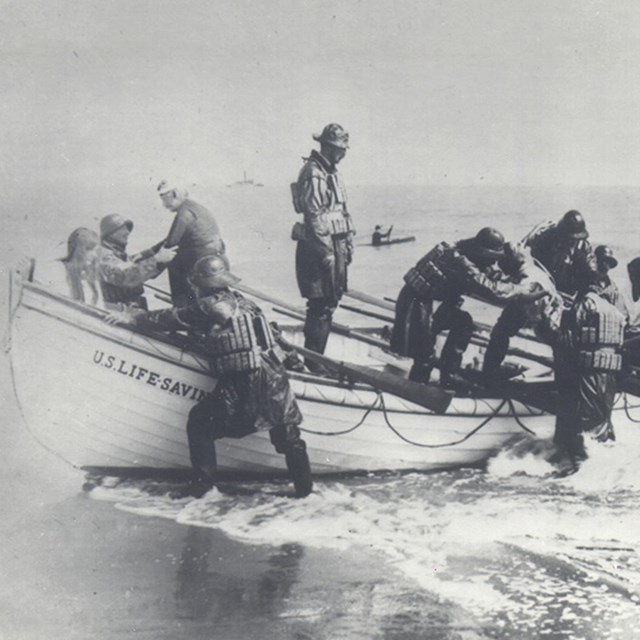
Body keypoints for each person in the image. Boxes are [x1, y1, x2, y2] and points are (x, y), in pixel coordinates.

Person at [106, 255, 313, 499]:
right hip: (276, 377)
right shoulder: (247, 303)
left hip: (246, 381)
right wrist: (296, 363)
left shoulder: (211, 305)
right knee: (288, 437)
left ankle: (203, 488)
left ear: (201, 284)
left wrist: (134, 318)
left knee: (200, 422)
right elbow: (275, 338)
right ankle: (306, 492)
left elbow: (172, 318)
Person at [390, 227, 546, 386]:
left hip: (433, 304)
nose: (493, 262)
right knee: (424, 354)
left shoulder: (468, 253)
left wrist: (518, 277)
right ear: (482, 252)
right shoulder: (460, 262)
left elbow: (492, 276)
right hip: (417, 305)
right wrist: (523, 291)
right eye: (492, 257)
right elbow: (491, 289)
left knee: (463, 322)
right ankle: (418, 387)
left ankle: (449, 375)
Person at [291, 123, 355, 371]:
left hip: (335, 246)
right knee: (319, 305)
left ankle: (316, 359)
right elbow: (315, 216)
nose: (344, 153)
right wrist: (327, 253)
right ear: (328, 147)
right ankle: (313, 362)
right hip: (318, 249)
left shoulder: (332, 172)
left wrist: (348, 245)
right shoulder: (313, 172)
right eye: (340, 148)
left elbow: (342, 212)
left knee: (329, 303)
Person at [550, 280, 625, 472]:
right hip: (609, 372)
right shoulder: (614, 311)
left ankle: (581, 473)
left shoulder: (586, 303)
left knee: (585, 420)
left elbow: (569, 335)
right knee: (603, 422)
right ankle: (607, 468)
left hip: (589, 370)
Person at [482, 242, 562, 381]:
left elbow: (520, 296)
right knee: (500, 332)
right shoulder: (528, 267)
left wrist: (543, 292)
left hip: (544, 316)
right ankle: (489, 373)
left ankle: (563, 382)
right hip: (529, 309)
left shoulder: (528, 277)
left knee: (559, 346)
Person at [157, 180, 227, 307]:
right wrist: (146, 253)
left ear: (175, 195)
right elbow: (170, 239)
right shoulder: (195, 207)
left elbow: (170, 244)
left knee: (172, 261)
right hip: (218, 260)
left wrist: (147, 266)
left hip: (202, 264)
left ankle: (181, 306)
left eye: (165, 200)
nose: (164, 205)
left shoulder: (184, 214)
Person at [99, 213, 177, 310]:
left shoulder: (118, 253)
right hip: (118, 310)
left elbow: (134, 263)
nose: (127, 232)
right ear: (111, 232)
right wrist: (156, 259)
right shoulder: (103, 254)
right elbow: (123, 276)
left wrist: (160, 250)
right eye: (123, 229)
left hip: (129, 308)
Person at [522, 209, 598, 297]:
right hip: (546, 285)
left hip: (570, 290)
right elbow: (527, 252)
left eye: (574, 240)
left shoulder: (583, 247)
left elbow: (591, 269)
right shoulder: (548, 239)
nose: (571, 242)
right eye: (569, 238)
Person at [60, 227, 103, 306]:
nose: (94, 255)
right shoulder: (58, 270)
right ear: (78, 250)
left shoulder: (90, 279)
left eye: (95, 250)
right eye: (89, 249)